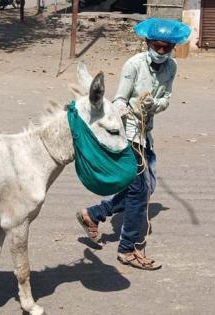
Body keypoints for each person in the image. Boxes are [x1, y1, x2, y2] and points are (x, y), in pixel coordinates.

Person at [76, 18, 191, 270]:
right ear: (148, 42)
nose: (161, 52)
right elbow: (119, 99)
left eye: (166, 48)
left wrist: (154, 106)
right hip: (128, 135)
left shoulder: (171, 67)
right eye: (157, 46)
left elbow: (166, 98)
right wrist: (126, 110)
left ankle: (94, 214)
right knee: (140, 193)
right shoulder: (134, 65)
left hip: (146, 132)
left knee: (146, 188)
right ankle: (128, 249)